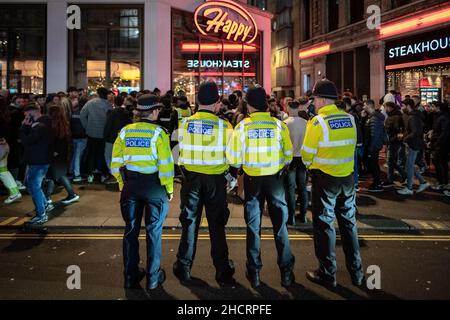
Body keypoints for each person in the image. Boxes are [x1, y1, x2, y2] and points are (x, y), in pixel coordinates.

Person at [227, 86, 295, 289]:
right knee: (280, 227)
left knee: (253, 228)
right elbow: (288, 155)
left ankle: (254, 272)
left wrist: (242, 167)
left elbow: (233, 159)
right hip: (275, 181)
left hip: (252, 182)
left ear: (249, 105)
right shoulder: (278, 125)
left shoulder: (243, 127)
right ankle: (286, 274)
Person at [301, 79, 364, 288]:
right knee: (349, 225)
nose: (314, 103)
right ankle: (357, 273)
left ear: (320, 100)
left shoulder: (317, 122)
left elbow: (306, 156)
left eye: (315, 99)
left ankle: (328, 273)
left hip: (325, 181)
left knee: (325, 226)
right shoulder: (350, 119)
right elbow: (352, 147)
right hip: (347, 179)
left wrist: (314, 166)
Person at [173, 81, 235, 286]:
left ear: (197, 101)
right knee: (217, 226)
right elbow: (233, 158)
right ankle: (223, 270)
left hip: (191, 180)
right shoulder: (225, 126)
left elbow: (176, 155)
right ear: (217, 103)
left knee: (189, 223)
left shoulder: (184, 124)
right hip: (216, 182)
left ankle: (183, 267)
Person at [110, 94, 174, 292]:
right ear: (154, 112)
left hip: (131, 185)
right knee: (154, 231)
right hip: (154, 186)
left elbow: (115, 165)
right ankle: (153, 278)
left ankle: (130, 277)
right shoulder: (159, 134)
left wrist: (122, 183)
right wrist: (169, 189)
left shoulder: (125, 132)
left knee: (130, 230)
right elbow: (165, 167)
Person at [21, 104, 53, 227]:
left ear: (31, 113)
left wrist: (23, 127)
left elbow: (26, 141)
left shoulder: (39, 126)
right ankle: (45, 204)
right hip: (40, 160)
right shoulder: (43, 123)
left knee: (34, 187)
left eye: (26, 116)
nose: (25, 119)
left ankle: (41, 215)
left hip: (37, 161)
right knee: (30, 184)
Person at [45, 104, 79, 205]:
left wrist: (53, 151)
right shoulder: (64, 123)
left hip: (55, 154)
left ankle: (71, 194)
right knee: (54, 175)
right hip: (62, 154)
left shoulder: (53, 125)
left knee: (57, 175)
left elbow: (53, 141)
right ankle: (48, 196)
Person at [397, 99, 430, 195]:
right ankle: (422, 182)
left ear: (408, 106)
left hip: (413, 144)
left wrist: (404, 138)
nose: (402, 108)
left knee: (409, 166)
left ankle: (409, 188)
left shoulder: (413, 117)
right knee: (409, 165)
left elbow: (415, 132)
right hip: (414, 144)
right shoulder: (414, 116)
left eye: (403, 106)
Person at [80, 87, 112, 183]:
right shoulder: (108, 104)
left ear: (97, 93)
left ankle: (90, 174)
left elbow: (82, 115)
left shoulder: (90, 103)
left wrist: (87, 127)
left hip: (91, 132)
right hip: (103, 133)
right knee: (102, 154)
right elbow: (110, 120)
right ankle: (103, 174)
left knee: (91, 154)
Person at [284, 99, 308, 225]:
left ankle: (291, 217)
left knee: (291, 188)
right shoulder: (306, 122)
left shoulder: (285, 123)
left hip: (291, 158)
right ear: (298, 108)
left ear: (288, 108)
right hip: (302, 158)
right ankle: (303, 215)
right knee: (303, 188)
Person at [103, 95, 132, 184]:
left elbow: (108, 125)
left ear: (114, 102)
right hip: (122, 137)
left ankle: (113, 174)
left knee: (108, 156)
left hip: (111, 138)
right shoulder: (126, 113)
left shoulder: (111, 112)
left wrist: (105, 136)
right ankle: (120, 174)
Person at [382, 101, 406, 187]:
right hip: (392, 141)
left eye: (385, 107)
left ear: (389, 108)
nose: (385, 109)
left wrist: (394, 139)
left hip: (394, 142)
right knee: (391, 161)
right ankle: (403, 174)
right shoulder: (393, 116)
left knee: (390, 161)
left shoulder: (395, 117)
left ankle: (390, 179)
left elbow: (399, 130)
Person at [363, 99, 385, 192]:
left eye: (364, 105)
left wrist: (370, 149)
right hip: (373, 146)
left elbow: (374, 136)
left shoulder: (374, 118)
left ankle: (377, 183)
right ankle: (377, 182)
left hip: (373, 146)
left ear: (369, 106)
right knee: (373, 164)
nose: (363, 107)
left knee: (373, 165)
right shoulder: (371, 117)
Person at [429, 102, 450, 191]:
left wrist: (436, 142)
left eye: (432, 106)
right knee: (441, 163)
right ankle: (443, 182)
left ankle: (442, 182)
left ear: (438, 107)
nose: (430, 108)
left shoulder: (444, 117)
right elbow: (437, 130)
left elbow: (444, 133)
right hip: (438, 144)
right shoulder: (437, 116)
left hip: (441, 145)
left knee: (439, 163)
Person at [70, 95, 88, 182]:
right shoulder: (86, 112)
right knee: (78, 156)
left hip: (74, 136)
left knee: (74, 155)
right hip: (83, 136)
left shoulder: (74, 111)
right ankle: (77, 174)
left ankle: (71, 171)